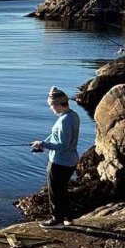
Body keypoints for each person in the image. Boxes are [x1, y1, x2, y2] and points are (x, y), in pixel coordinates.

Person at [30, 87, 81, 228]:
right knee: (62, 189)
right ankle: (67, 217)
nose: (51, 108)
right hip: (70, 160)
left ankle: (56, 220)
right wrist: (43, 144)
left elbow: (63, 145)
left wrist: (44, 144)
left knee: (55, 191)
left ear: (58, 104)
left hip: (60, 162)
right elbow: (55, 136)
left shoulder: (65, 120)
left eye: (52, 105)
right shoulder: (73, 115)